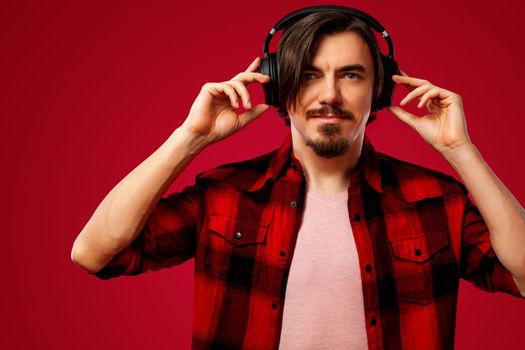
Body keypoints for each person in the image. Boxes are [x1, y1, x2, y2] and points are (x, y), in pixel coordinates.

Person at [71, 6, 525, 350]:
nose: (329, 94)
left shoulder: (437, 201)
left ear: (381, 91)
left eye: (350, 75)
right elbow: (94, 253)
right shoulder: (226, 195)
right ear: (278, 87)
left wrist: (459, 152)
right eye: (308, 75)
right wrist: (190, 139)